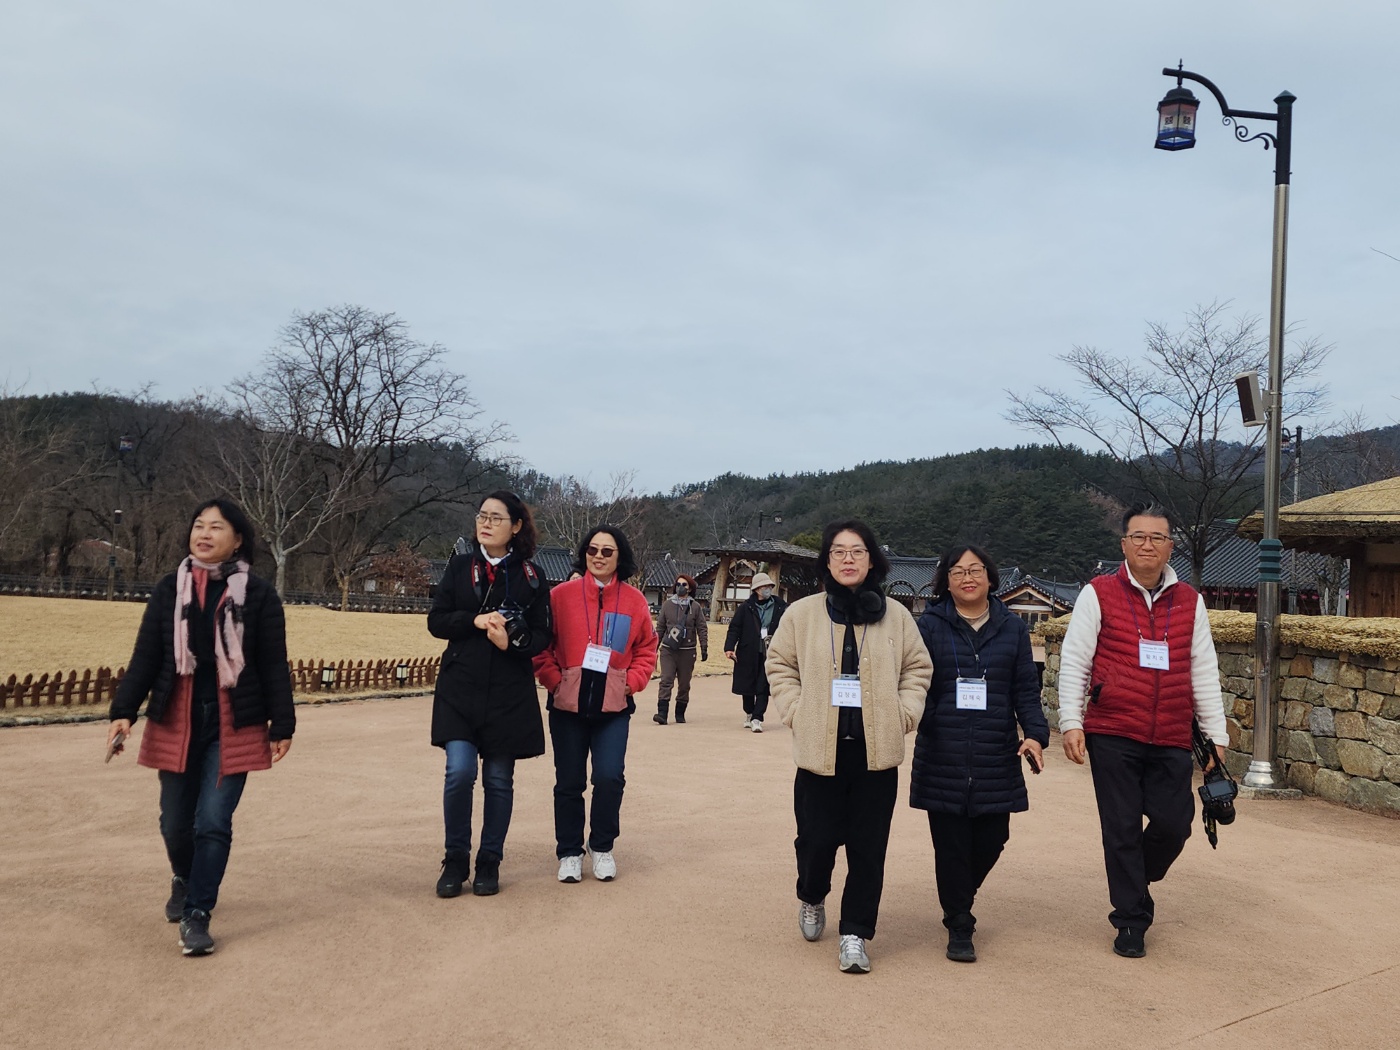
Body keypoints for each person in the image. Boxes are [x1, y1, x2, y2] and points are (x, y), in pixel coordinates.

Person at [106, 499, 295, 957]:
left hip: (235, 720)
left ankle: (197, 914)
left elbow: (273, 664)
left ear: (238, 540)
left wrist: (283, 722)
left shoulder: (260, 595)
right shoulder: (170, 588)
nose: (204, 533)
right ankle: (183, 875)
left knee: (213, 821)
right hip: (178, 714)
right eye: (198, 526)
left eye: (216, 527)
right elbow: (147, 656)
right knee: (175, 823)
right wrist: (124, 709)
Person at [1057, 502, 1229, 959]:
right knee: (1120, 827)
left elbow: (1204, 671)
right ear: (1124, 544)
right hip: (1113, 729)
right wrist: (1072, 721)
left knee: (1176, 824)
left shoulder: (1190, 601)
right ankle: (1131, 920)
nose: (1147, 544)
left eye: (1157, 537)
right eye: (1138, 536)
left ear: (1171, 545)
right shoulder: (1098, 593)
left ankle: (1136, 876)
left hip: (1172, 732)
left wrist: (1216, 737)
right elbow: (1075, 659)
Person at [767, 520, 931, 974]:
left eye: (857, 551)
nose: (847, 559)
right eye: (838, 552)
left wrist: (903, 716)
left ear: (872, 559)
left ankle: (855, 932)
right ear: (827, 560)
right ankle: (811, 894)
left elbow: (918, 669)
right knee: (816, 842)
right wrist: (797, 711)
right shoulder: (801, 615)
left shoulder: (897, 616)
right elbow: (779, 664)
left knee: (868, 849)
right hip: (820, 753)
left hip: (875, 756)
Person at [909, 544, 1049, 963]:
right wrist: (930, 716)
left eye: (975, 570)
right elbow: (913, 678)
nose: (967, 577)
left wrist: (1036, 735)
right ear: (945, 582)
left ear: (990, 577)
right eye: (956, 572)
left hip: (995, 749)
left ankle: (957, 896)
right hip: (942, 749)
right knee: (950, 843)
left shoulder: (1012, 629)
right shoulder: (929, 626)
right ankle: (959, 923)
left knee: (994, 836)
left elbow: (1026, 688)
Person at [427, 491, 552, 898]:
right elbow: (437, 621)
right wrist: (474, 620)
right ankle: (455, 858)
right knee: (459, 773)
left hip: (508, 693)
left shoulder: (533, 576)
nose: (486, 523)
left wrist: (510, 644)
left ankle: (489, 860)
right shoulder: (461, 567)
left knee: (499, 780)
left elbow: (542, 637)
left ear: (515, 526)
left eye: (496, 517)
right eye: (482, 515)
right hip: (460, 687)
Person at [534, 525, 658, 883]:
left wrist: (631, 683)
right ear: (584, 554)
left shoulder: (634, 601)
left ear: (620, 557)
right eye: (593, 550)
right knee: (569, 782)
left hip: (613, 709)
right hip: (567, 707)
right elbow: (542, 646)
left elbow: (647, 648)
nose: (599, 557)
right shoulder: (560, 596)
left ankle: (602, 845)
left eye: (607, 551)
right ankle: (570, 851)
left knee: (609, 777)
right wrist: (554, 681)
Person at [725, 571, 787, 732]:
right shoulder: (745, 607)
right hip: (748, 652)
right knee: (747, 686)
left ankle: (757, 718)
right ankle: (749, 712)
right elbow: (734, 629)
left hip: (770, 652)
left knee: (763, 685)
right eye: (764, 586)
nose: (768, 589)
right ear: (757, 589)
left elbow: (789, 627)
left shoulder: (780, 606)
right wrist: (729, 647)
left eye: (769, 586)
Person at [653, 574, 708, 725]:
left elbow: (702, 628)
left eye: (684, 585)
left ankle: (680, 712)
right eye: (678, 584)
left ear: (690, 588)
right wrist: (654, 647)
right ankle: (662, 713)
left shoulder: (695, 607)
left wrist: (704, 646)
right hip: (669, 649)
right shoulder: (667, 605)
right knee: (666, 680)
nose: (681, 587)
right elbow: (660, 627)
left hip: (687, 650)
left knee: (684, 683)